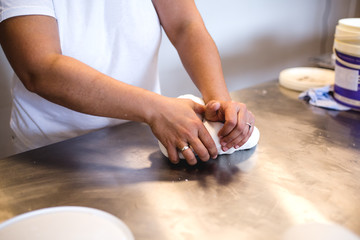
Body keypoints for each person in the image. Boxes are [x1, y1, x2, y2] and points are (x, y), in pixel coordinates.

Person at [0, 0, 255, 165]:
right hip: (54, 152)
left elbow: (185, 26)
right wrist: (155, 109)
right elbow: (39, 68)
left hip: (140, 140)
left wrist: (218, 103)